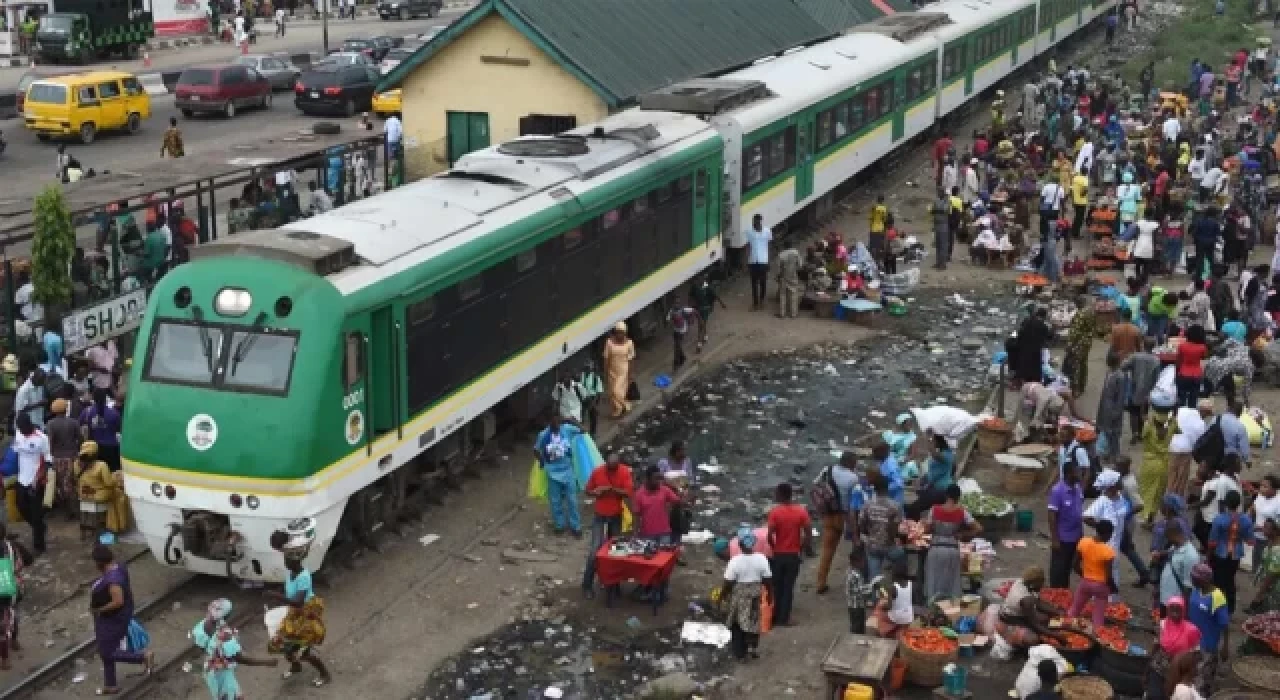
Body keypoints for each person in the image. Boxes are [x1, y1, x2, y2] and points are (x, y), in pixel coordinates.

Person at [266, 530, 331, 686]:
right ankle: (296, 666)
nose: (285, 562)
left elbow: (298, 602)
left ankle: (324, 674)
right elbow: (290, 592)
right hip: (294, 614)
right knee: (284, 645)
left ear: (295, 561)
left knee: (304, 650)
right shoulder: (291, 572)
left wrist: (275, 596)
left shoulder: (304, 577)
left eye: (287, 559)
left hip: (305, 615)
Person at [90, 544, 154, 694]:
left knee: (108, 651)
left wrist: (100, 609)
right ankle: (110, 684)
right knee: (105, 649)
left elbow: (118, 601)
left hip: (113, 619)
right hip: (117, 616)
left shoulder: (113, 581)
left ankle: (143, 657)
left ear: (99, 563)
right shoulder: (118, 567)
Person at [193, 598, 278, 700]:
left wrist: (215, 651)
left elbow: (201, 648)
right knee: (231, 696)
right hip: (222, 673)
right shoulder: (225, 635)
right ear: (227, 615)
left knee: (220, 695)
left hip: (210, 669)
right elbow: (241, 658)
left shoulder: (201, 625)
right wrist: (267, 662)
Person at [580, 453, 632, 598]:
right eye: (609, 468)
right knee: (595, 551)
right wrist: (595, 492)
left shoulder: (624, 472)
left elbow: (628, 493)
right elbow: (587, 490)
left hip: (616, 516)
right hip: (600, 516)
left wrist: (611, 489)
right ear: (606, 464)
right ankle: (587, 586)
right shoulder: (597, 472)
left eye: (613, 469)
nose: (611, 471)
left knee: (615, 551)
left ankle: (613, 585)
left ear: (618, 465)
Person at [922, 484, 981, 598]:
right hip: (952, 550)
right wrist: (963, 534)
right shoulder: (962, 512)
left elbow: (927, 530)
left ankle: (933, 607)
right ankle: (950, 609)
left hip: (935, 549)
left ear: (946, 495)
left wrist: (926, 525)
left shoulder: (934, 510)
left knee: (933, 581)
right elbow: (978, 528)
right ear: (958, 497)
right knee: (951, 584)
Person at [721, 527, 771, 660]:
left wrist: (722, 597)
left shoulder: (735, 561)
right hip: (755, 595)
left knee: (737, 625)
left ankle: (740, 654)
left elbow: (728, 582)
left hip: (740, 598)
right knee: (753, 623)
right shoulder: (761, 558)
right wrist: (770, 596)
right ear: (753, 543)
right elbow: (767, 580)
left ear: (740, 544)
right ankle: (752, 649)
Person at [766, 482, 810, 627]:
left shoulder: (775, 512)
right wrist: (802, 547)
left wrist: (774, 547)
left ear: (780, 495)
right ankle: (784, 618)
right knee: (788, 587)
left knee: (777, 586)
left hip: (779, 555)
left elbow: (770, 535)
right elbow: (808, 533)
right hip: (793, 555)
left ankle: (773, 615)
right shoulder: (800, 511)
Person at [534, 414, 584, 536]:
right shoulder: (543, 435)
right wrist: (541, 461)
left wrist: (572, 421)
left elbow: (583, 431)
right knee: (555, 501)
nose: (557, 427)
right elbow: (536, 449)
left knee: (572, 500)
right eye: (554, 425)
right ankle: (559, 525)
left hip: (568, 471)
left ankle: (575, 526)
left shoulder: (566, 429)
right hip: (552, 473)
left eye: (559, 424)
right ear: (549, 423)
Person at [815, 452, 858, 594]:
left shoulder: (828, 469)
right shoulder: (853, 478)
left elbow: (817, 485)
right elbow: (854, 500)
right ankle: (855, 581)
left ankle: (821, 582)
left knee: (827, 549)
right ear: (850, 463)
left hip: (828, 514)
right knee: (855, 548)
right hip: (844, 517)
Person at [1186, 562, 1230, 695]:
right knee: (1190, 677)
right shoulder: (1195, 590)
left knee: (1202, 683)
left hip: (1207, 645)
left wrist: (1225, 647)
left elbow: (1225, 624)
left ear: (1202, 580)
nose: (1191, 580)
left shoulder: (1217, 597)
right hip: (1191, 642)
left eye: (1194, 578)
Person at [1206, 489, 1252, 612]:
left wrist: (1208, 556)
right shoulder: (1246, 520)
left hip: (1220, 553)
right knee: (1230, 579)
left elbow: (1212, 541)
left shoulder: (1219, 519)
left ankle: (1217, 606)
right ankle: (1230, 607)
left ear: (1226, 503)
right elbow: (1250, 540)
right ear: (1238, 504)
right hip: (1235, 554)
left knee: (1218, 581)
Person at [996, 566, 1062, 649]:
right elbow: (1035, 624)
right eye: (1041, 583)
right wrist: (1057, 636)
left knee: (1046, 619)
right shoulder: (1026, 600)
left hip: (1020, 614)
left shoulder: (1023, 582)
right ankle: (1017, 644)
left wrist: (1058, 612)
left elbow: (1038, 603)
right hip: (1010, 621)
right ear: (1033, 584)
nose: (1042, 586)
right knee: (1034, 639)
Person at [12, 413, 51, 555]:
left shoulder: (42, 438)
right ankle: (39, 526)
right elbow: (15, 452)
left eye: (22, 427)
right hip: (22, 479)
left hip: (35, 482)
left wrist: (40, 477)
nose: (20, 430)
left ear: (28, 425)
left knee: (36, 513)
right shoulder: (18, 435)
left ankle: (39, 546)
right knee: (21, 507)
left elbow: (47, 461)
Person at [1068, 520, 1117, 630]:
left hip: (1085, 582)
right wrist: (1113, 587)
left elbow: (1074, 564)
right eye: (1111, 534)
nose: (1110, 537)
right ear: (1107, 534)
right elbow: (1109, 575)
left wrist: (1085, 575)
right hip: (1101, 586)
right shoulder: (1108, 551)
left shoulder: (1083, 542)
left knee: (1074, 609)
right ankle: (1096, 638)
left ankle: (1067, 629)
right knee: (1098, 617)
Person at [77, 441, 130, 537]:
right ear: (96, 452)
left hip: (83, 493)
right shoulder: (101, 465)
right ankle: (116, 526)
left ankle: (90, 529)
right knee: (120, 496)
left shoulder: (77, 464)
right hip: (98, 495)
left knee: (114, 493)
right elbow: (109, 483)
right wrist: (117, 480)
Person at [860, 472, 904, 579]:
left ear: (874, 489)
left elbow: (862, 526)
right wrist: (894, 539)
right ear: (887, 488)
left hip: (872, 546)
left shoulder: (867, 505)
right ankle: (899, 580)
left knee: (875, 579)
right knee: (902, 555)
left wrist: (870, 534)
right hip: (889, 546)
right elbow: (894, 530)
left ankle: (876, 589)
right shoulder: (895, 506)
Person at [1115, 457, 1152, 586]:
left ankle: (1144, 573)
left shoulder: (1128, 483)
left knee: (1126, 548)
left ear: (1127, 467)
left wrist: (1123, 515)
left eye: (1119, 466)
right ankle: (1144, 573)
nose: (1116, 468)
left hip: (1125, 523)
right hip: (1122, 521)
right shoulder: (1123, 478)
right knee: (1126, 548)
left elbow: (1139, 505)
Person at [0, 523, 32, 670]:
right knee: (12, 613)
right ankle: (14, 641)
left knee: (2, 623)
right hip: (12, 588)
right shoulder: (13, 546)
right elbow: (29, 559)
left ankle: (5, 658)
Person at [1048, 462, 1085, 588]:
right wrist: (1055, 539)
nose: (1080, 474)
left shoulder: (1078, 488)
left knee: (1067, 569)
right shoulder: (1057, 490)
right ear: (1069, 474)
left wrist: (1081, 535)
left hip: (1075, 538)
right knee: (1058, 570)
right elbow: (1052, 515)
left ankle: (1064, 594)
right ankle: (1054, 595)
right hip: (1062, 539)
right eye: (1077, 471)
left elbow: (1079, 512)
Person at [45, 397, 80, 517]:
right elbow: (80, 439)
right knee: (71, 483)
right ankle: (72, 509)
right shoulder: (74, 422)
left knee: (59, 484)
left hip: (57, 458)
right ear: (66, 409)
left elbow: (50, 442)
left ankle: (64, 509)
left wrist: (49, 457)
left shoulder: (50, 424)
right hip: (72, 457)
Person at [632, 465, 681, 545]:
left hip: (664, 534)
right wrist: (634, 534)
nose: (658, 481)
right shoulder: (639, 494)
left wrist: (677, 489)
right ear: (648, 479)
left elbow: (678, 501)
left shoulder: (664, 490)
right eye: (656, 478)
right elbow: (636, 517)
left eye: (659, 478)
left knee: (664, 556)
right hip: (647, 535)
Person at [80, 388, 122, 473]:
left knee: (93, 474)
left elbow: (80, 425)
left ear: (93, 398)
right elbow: (119, 429)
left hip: (92, 449)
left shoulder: (87, 411)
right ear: (105, 398)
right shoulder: (114, 413)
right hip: (110, 448)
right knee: (111, 474)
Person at [1096, 353, 1128, 464]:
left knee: (1114, 433)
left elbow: (1121, 397)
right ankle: (1107, 453)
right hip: (1105, 406)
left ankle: (1114, 455)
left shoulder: (1121, 376)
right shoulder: (1109, 373)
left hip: (1114, 408)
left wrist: (1116, 412)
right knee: (1106, 431)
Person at [602, 322, 635, 419]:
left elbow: (631, 358)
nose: (620, 335)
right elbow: (606, 358)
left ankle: (626, 405)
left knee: (617, 391)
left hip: (623, 370)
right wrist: (605, 371)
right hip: (612, 370)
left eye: (622, 333)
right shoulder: (609, 342)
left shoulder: (629, 343)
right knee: (612, 392)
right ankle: (618, 409)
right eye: (618, 332)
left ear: (625, 333)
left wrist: (631, 373)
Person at [1247, 517, 1280, 612]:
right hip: (1268, 587)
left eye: (1267, 528)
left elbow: (1272, 575)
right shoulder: (1271, 543)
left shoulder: (1277, 551)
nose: (1263, 530)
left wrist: (1260, 594)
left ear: (1276, 531)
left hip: (1274, 589)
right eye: (1264, 527)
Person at [871, 563, 913, 638]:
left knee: (879, 612)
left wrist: (882, 606)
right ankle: (899, 630)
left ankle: (885, 633)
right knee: (897, 612)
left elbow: (889, 606)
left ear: (895, 575)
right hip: (909, 616)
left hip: (897, 617)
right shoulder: (911, 584)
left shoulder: (893, 588)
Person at [1012, 308, 1052, 384]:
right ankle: (1032, 383)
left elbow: (1019, 332)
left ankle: (1022, 381)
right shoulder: (1044, 326)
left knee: (1023, 365)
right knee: (1034, 367)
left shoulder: (1028, 322)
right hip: (1036, 350)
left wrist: (1015, 340)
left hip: (1024, 348)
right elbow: (1049, 337)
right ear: (1044, 317)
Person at [1176, 325, 1209, 408]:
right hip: (1197, 375)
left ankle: (1180, 414)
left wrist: (1177, 372)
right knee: (1193, 399)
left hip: (1183, 373)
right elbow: (1204, 357)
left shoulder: (1182, 346)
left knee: (1181, 398)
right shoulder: (1203, 347)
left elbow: (1178, 361)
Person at [745, 214, 772, 310]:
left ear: (760, 221)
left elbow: (768, 246)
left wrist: (769, 260)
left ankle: (762, 300)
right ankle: (755, 303)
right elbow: (748, 246)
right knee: (754, 283)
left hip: (763, 260)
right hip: (753, 261)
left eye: (756, 222)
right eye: (753, 221)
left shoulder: (767, 231)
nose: (754, 223)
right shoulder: (749, 232)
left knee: (763, 282)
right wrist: (747, 260)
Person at [845, 547, 871, 634]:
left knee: (856, 624)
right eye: (862, 561)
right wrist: (871, 588)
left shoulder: (850, 571)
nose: (864, 563)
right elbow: (861, 591)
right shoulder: (856, 575)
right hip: (857, 605)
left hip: (852, 604)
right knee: (857, 626)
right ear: (856, 562)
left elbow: (858, 588)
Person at [775, 243, 802, 319]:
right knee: (793, 295)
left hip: (784, 277)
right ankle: (793, 314)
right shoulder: (796, 252)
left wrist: (777, 277)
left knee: (782, 295)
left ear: (784, 246)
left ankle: (782, 314)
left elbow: (778, 268)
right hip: (793, 276)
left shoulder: (781, 255)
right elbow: (800, 265)